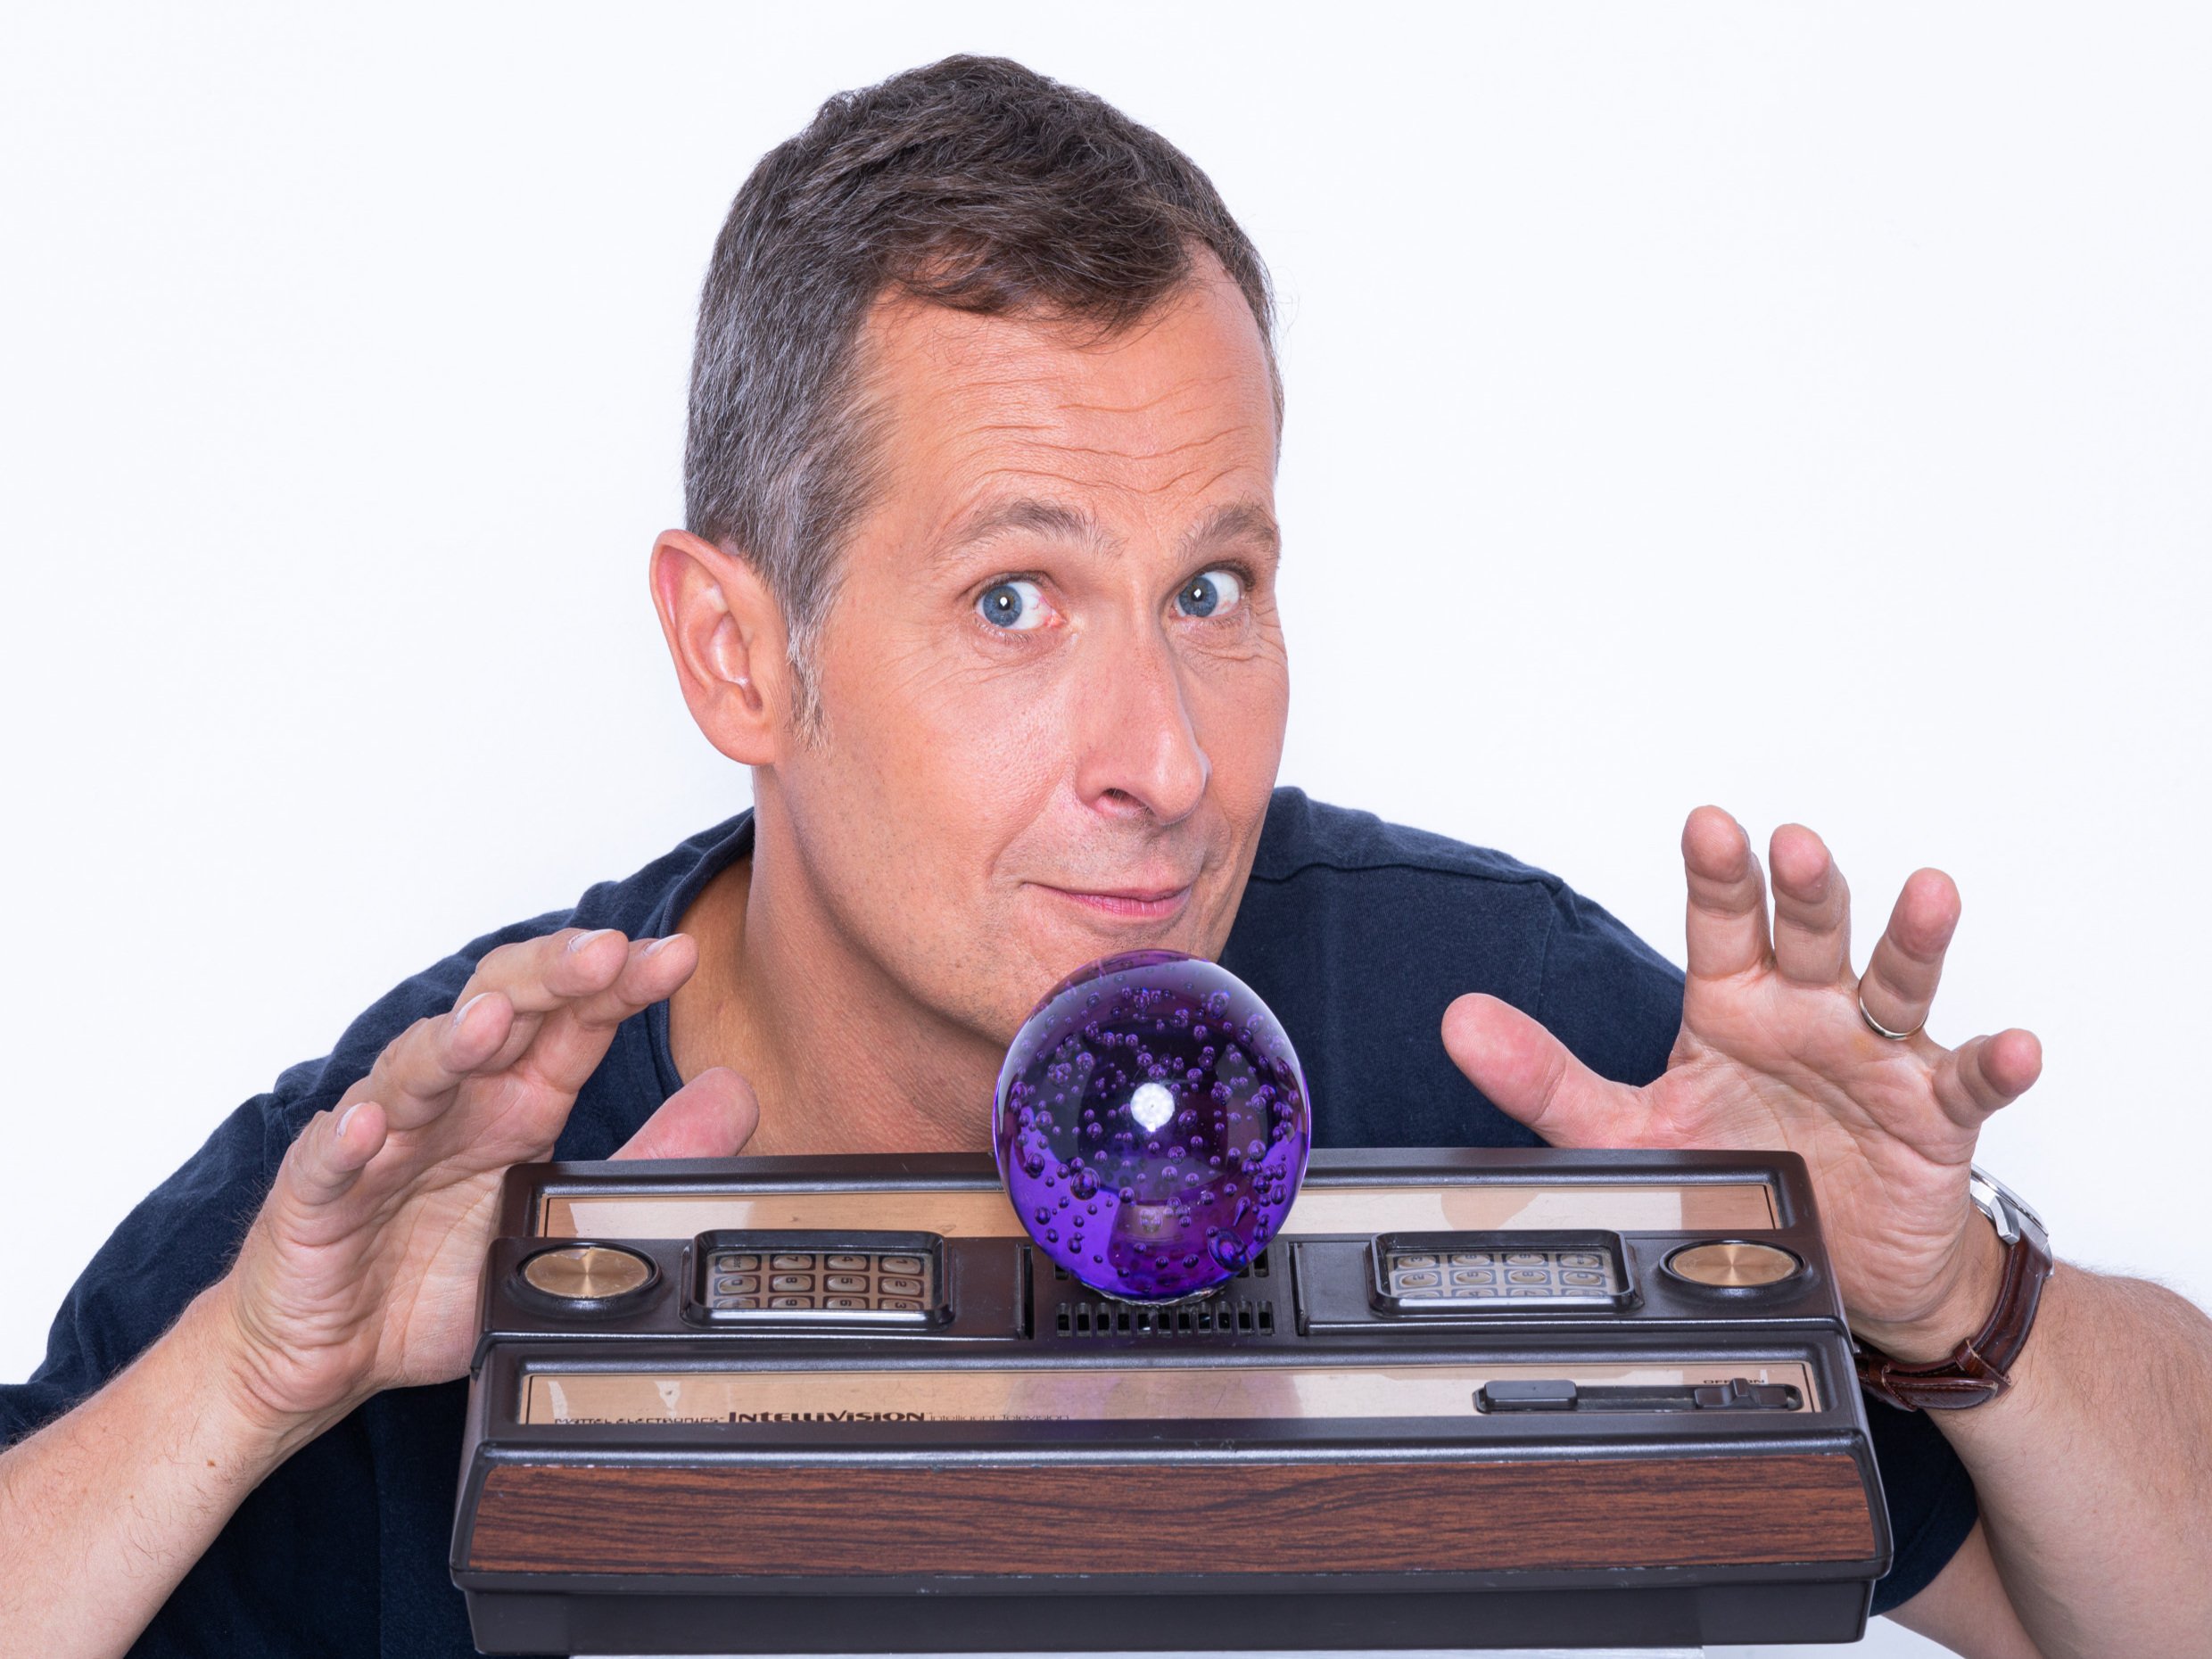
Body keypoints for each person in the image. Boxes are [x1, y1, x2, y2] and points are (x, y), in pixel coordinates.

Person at [2, 53, 2207, 1659]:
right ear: (739, 652)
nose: (1165, 760)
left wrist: (1952, 1302)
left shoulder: (1504, 1050)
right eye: (1013, 600)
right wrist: (241, 1389)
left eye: (1212, 590)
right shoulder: (449, 1175)